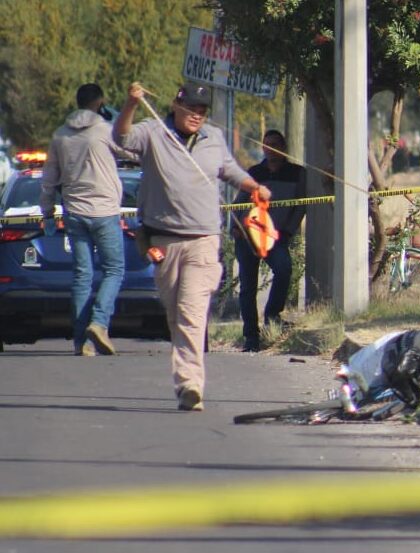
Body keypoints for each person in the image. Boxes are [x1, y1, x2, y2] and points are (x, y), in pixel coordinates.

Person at [113, 82, 271, 412]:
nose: (197, 116)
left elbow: (228, 170)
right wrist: (130, 104)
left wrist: (253, 186)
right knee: (175, 312)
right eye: (191, 109)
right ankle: (186, 378)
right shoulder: (153, 131)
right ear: (175, 105)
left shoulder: (213, 138)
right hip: (163, 242)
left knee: (191, 312)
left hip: (204, 241)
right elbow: (121, 139)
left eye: (202, 111)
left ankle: (190, 384)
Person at [40, 83, 128, 357]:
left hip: (75, 212)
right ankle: (99, 323)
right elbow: (129, 150)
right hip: (104, 210)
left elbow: (49, 179)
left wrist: (47, 212)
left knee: (82, 275)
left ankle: (82, 342)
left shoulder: (60, 135)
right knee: (114, 269)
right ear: (100, 103)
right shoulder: (105, 130)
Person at [232, 130, 306, 352]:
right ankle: (251, 337)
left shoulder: (297, 173)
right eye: (267, 145)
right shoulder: (254, 173)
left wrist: (289, 231)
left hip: (276, 237)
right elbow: (238, 203)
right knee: (248, 287)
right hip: (248, 237)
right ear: (262, 148)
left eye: (276, 145)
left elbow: (301, 205)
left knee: (284, 270)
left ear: (283, 148)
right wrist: (235, 227)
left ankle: (272, 316)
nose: (271, 149)